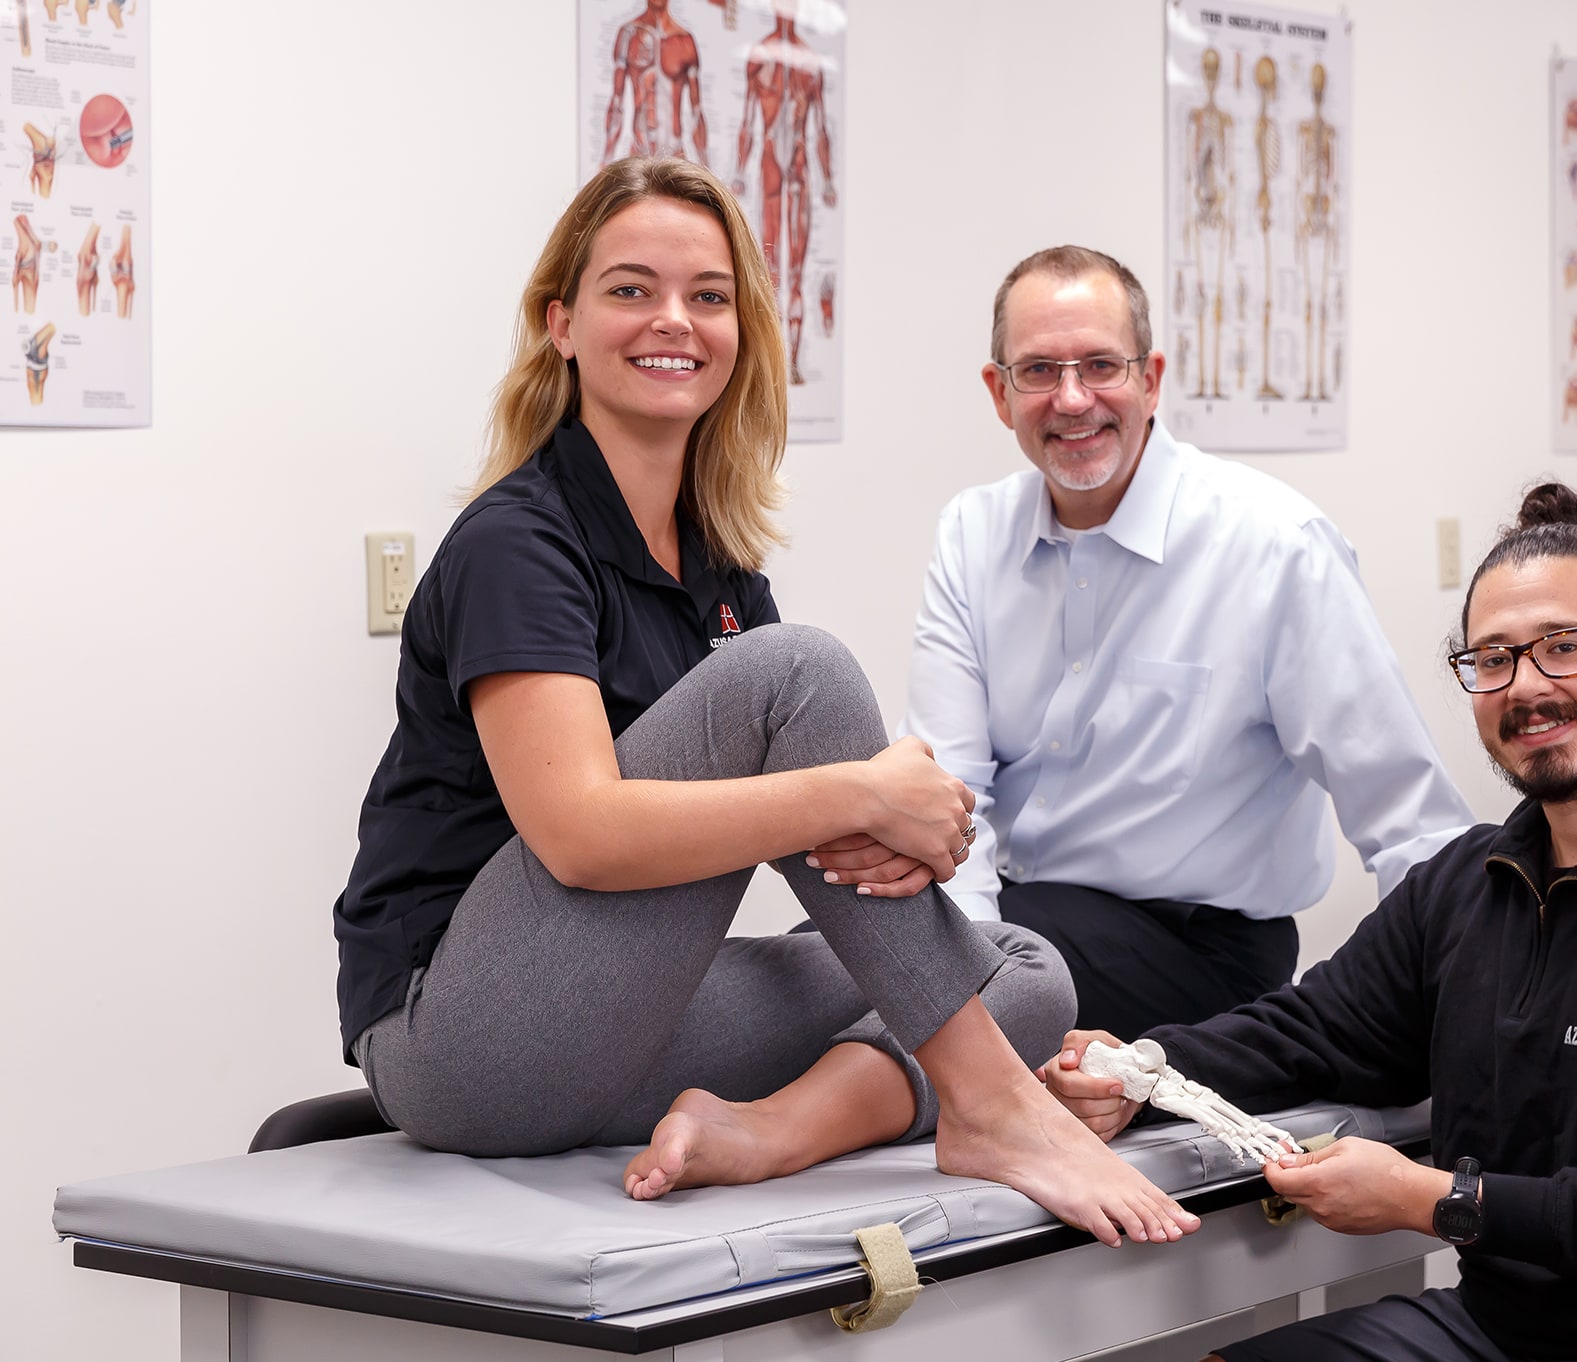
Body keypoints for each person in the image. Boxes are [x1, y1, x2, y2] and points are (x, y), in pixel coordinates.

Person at [330, 158, 1197, 1249]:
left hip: (615, 1030)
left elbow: (811, 819)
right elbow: (583, 835)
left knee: (1022, 971)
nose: (673, 322)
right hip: (464, 1038)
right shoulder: (518, 542)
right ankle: (991, 1107)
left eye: (707, 295)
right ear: (560, 322)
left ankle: (770, 1133)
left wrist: (883, 819)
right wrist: (861, 794)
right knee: (802, 672)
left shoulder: (718, 565)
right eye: (630, 289)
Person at [1044, 483, 1577, 1360]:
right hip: (1507, 1331)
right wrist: (1144, 1068)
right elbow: (1316, 1029)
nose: (1528, 688)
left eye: (1566, 648)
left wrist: (1435, 1200)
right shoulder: (1469, 884)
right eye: (1493, 660)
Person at [878, 245, 1470, 1038]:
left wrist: (1469, 1012)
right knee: (830, 953)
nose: (1073, 398)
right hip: (1018, 915)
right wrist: (971, 963)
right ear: (999, 392)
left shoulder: (1274, 546)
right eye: (1039, 371)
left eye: (1100, 365)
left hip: (1196, 951)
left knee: (884, 987)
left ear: (1151, 378)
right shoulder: (971, 535)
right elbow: (951, 800)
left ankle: (786, 1124)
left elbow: (1406, 811)